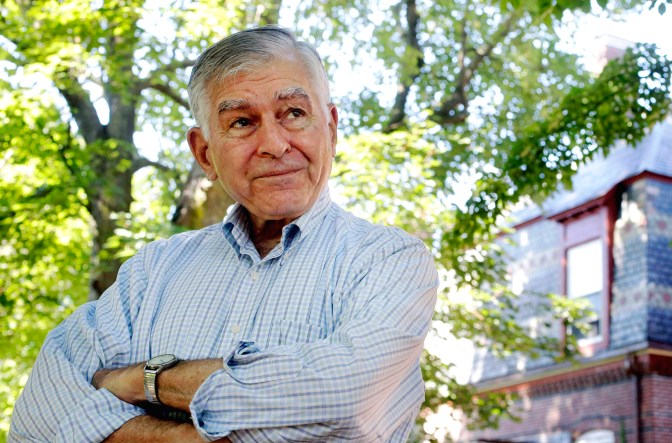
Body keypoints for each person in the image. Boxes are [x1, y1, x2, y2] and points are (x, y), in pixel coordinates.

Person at [10, 25, 439, 442]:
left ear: (330, 128)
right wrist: (182, 438)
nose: (274, 144)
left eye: (293, 113)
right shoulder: (150, 272)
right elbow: (38, 418)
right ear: (204, 153)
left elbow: (343, 398)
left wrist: (148, 381)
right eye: (241, 122)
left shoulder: (389, 259)